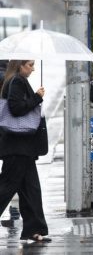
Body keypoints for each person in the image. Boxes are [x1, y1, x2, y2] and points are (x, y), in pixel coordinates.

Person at [0, 60, 50, 242]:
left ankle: (33, 229)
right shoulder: (17, 81)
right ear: (20, 66)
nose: (33, 68)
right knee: (5, 188)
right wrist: (37, 97)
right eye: (30, 65)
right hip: (16, 148)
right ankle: (34, 229)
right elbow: (16, 108)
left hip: (22, 148)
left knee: (31, 190)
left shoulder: (16, 80)